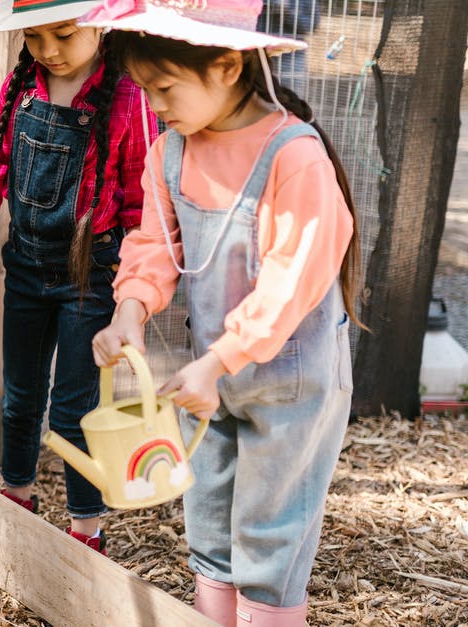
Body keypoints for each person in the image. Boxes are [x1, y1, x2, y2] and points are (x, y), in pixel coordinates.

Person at [84, 0, 363, 623]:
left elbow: (291, 284)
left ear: (229, 66)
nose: (153, 103)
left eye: (164, 87)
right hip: (211, 378)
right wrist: (129, 310)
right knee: (208, 521)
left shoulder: (294, 157)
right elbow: (154, 244)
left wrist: (220, 361)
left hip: (292, 381)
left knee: (271, 532)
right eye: (144, 88)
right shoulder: (170, 153)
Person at [0, 0, 157, 554]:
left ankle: (85, 531)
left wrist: (133, 297)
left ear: (99, 24)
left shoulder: (129, 98)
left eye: (62, 33)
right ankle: (17, 496)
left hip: (93, 274)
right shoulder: (22, 84)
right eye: (34, 37)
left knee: (75, 408)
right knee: (20, 395)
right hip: (27, 266)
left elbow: (139, 207)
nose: (49, 50)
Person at [258, 0, 318, 92]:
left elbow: (311, 24)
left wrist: (287, 12)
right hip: (259, 55)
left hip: (291, 58)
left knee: (290, 98)